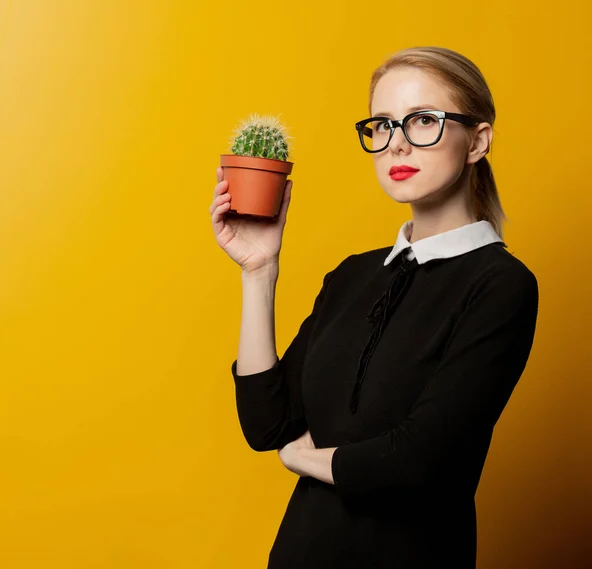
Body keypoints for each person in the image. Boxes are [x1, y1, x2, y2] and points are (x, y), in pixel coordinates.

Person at [209, 46, 539, 569]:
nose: (396, 145)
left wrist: (302, 457)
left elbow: (417, 461)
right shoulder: (353, 275)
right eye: (383, 125)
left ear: (477, 141)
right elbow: (266, 423)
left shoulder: (500, 285)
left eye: (423, 121)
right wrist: (259, 271)